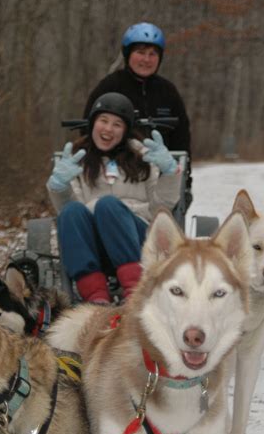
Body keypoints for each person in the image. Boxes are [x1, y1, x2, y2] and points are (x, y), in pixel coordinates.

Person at [46, 92, 181, 303]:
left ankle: (135, 290)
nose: (108, 129)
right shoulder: (77, 161)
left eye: (117, 124)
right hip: (95, 241)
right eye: (103, 121)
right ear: (93, 124)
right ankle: (96, 296)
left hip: (137, 239)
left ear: (126, 130)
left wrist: (170, 174)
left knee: (107, 206)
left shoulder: (144, 157)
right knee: (71, 212)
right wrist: (59, 187)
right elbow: (73, 216)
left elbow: (161, 209)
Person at [83, 22, 193, 208]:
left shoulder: (168, 91)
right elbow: (89, 129)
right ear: (128, 55)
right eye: (140, 53)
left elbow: (182, 137)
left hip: (159, 170)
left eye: (152, 54)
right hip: (118, 171)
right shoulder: (110, 86)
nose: (146, 59)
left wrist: (186, 181)